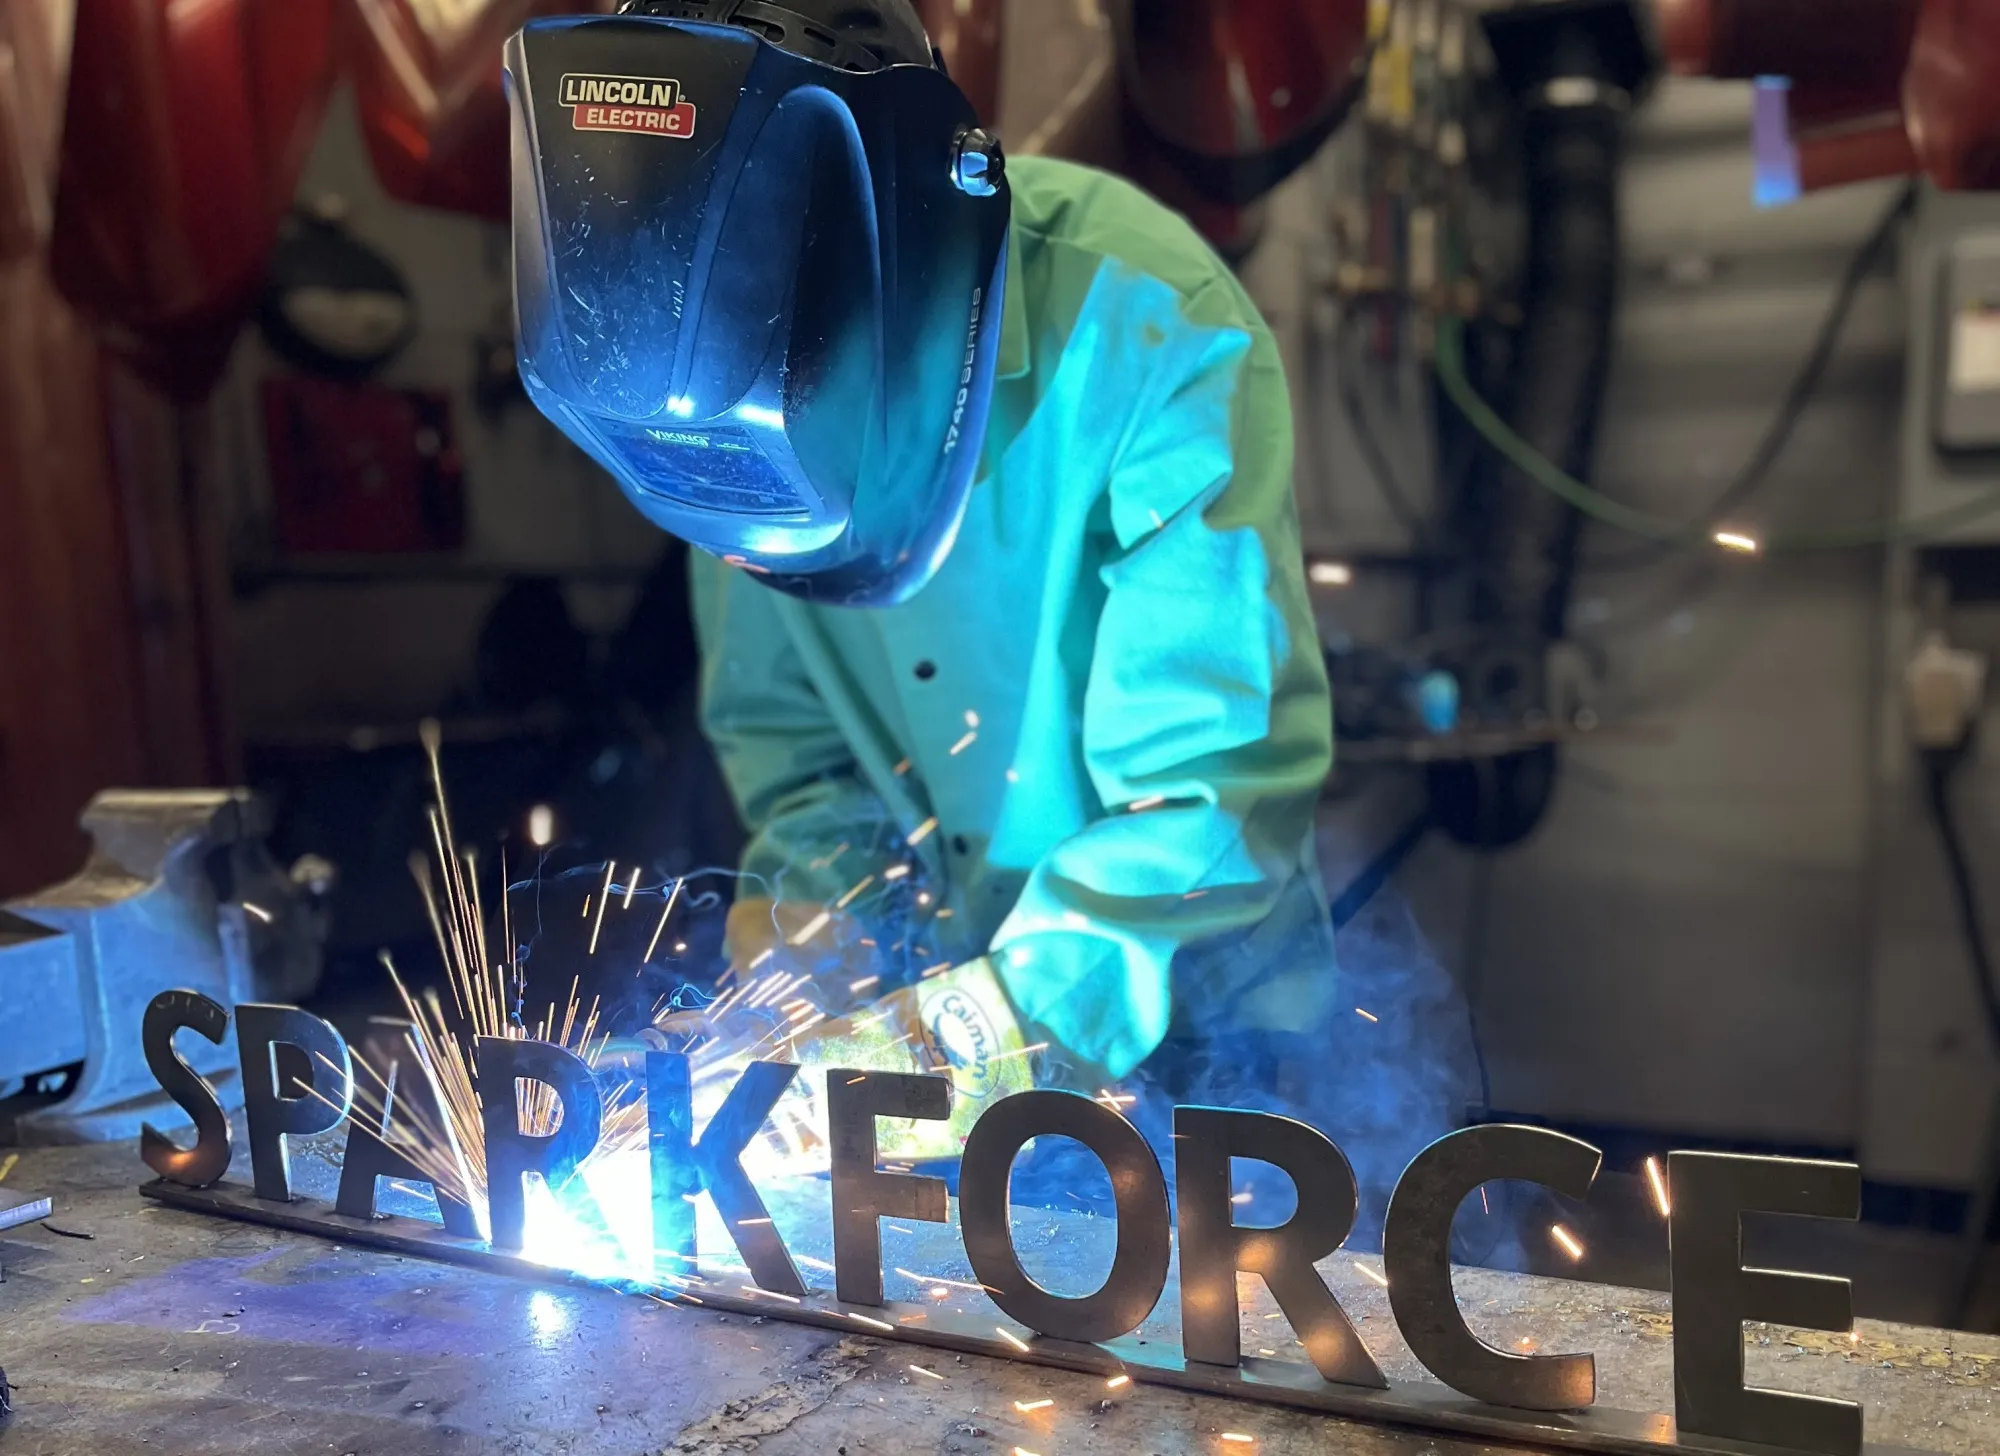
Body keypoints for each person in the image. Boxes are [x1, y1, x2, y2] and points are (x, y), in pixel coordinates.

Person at [506, 0, 1350, 1157]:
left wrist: (945, 1049)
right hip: (926, 1080)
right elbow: (800, 765)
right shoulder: (709, 416)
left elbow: (1206, 804)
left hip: (1198, 1050)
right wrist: (812, 972)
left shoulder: (1146, 324)